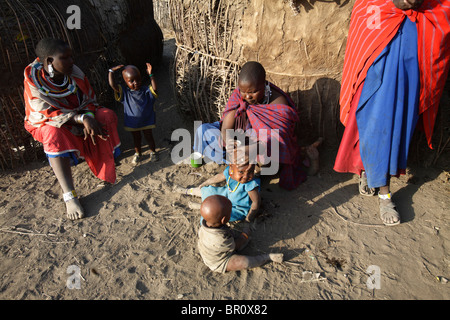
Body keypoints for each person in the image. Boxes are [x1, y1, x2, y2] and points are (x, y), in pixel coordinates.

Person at [334, 0, 450, 225]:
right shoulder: (372, 4)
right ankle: (384, 194)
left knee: (395, 125)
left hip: (407, 75)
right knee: (372, 121)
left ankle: (374, 175)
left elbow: (442, 20)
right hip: (375, 74)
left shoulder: (432, 8)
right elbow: (362, 30)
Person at [24, 38, 121, 220]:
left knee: (106, 115)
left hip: (79, 114)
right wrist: (81, 118)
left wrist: (88, 116)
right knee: (53, 134)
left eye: (71, 57)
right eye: (65, 58)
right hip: (49, 122)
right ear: (49, 62)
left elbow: (89, 100)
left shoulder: (74, 73)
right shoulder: (33, 82)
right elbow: (44, 113)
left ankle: (106, 156)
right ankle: (69, 195)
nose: (71, 62)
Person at [193, 61, 310, 190]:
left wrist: (251, 150)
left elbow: (278, 140)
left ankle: (244, 168)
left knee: (262, 161)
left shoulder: (278, 104)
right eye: (243, 91)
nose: (247, 96)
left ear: (264, 85)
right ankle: (233, 163)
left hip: (261, 150)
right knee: (203, 130)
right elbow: (226, 127)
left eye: (253, 92)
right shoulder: (240, 94)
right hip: (239, 143)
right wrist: (231, 142)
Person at [175, 143, 262, 223]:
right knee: (208, 190)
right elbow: (219, 176)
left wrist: (249, 218)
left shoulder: (251, 184)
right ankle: (188, 191)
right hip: (226, 194)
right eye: (241, 172)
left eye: (250, 172)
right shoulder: (229, 172)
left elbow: (256, 202)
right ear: (231, 167)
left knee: (219, 214)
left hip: (237, 207)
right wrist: (207, 182)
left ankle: (202, 207)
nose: (246, 176)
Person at [197, 195, 284, 273]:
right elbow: (236, 246)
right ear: (223, 220)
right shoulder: (219, 239)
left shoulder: (205, 226)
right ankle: (266, 257)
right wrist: (244, 235)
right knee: (245, 262)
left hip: (218, 249)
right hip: (219, 261)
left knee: (236, 239)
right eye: (230, 212)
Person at [108, 63, 158, 164]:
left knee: (149, 137)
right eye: (131, 81)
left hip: (147, 121)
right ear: (125, 82)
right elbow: (113, 85)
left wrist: (151, 75)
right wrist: (111, 72)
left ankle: (153, 152)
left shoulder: (145, 91)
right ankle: (138, 154)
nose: (136, 83)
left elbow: (155, 89)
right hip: (133, 124)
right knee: (136, 139)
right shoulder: (125, 93)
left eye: (138, 79)